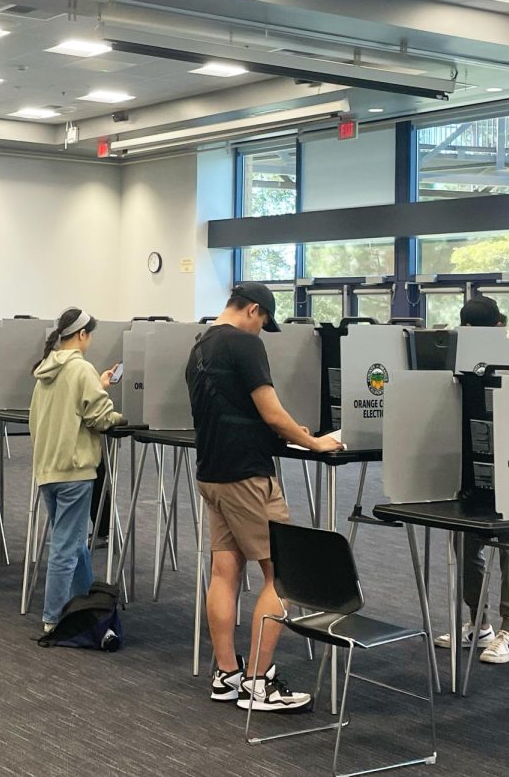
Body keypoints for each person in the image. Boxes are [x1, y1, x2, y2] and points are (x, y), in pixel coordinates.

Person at [186, 282, 342, 712]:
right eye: (263, 322)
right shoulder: (244, 345)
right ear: (253, 309)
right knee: (283, 574)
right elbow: (270, 411)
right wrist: (315, 442)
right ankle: (257, 682)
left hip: (213, 473)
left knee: (225, 571)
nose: (261, 331)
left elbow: (231, 409)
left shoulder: (200, 346)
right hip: (248, 476)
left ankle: (226, 674)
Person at [435, 295, 509, 664]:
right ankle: (478, 623)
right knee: (467, 543)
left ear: (499, 325)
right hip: (475, 458)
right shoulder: (459, 349)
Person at [29, 308, 124, 633]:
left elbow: (40, 418)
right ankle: (53, 618)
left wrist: (96, 386)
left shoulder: (45, 371)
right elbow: (98, 416)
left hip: (48, 469)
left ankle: (83, 602)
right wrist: (116, 418)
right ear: (82, 335)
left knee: (73, 542)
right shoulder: (80, 369)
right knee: (65, 547)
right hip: (74, 470)